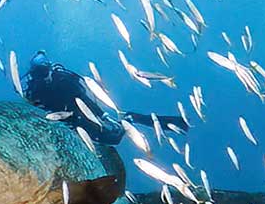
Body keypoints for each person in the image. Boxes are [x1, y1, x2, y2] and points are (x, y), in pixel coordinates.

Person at [23, 51, 189, 146]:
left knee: (113, 138)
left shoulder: (63, 79)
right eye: (38, 74)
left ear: (49, 69)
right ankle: (128, 120)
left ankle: (131, 119)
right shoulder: (34, 89)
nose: (42, 77)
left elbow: (83, 99)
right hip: (64, 123)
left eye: (44, 72)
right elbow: (32, 109)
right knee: (103, 141)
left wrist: (103, 116)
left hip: (82, 113)